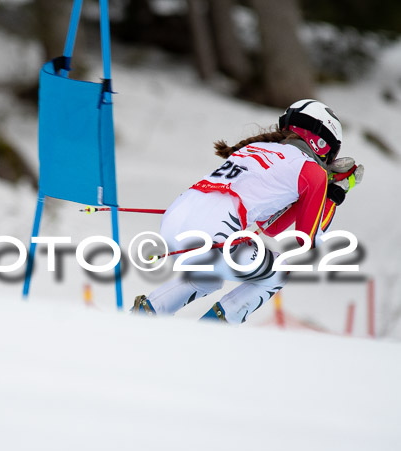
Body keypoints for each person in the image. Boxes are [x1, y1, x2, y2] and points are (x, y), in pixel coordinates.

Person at [131, 99, 364, 324]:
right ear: (323, 145)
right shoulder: (312, 172)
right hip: (211, 239)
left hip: (173, 224)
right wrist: (335, 192)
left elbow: (270, 226)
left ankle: (146, 313)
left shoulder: (256, 147)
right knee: (279, 272)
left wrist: (317, 192)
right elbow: (309, 239)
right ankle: (209, 334)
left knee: (208, 278)